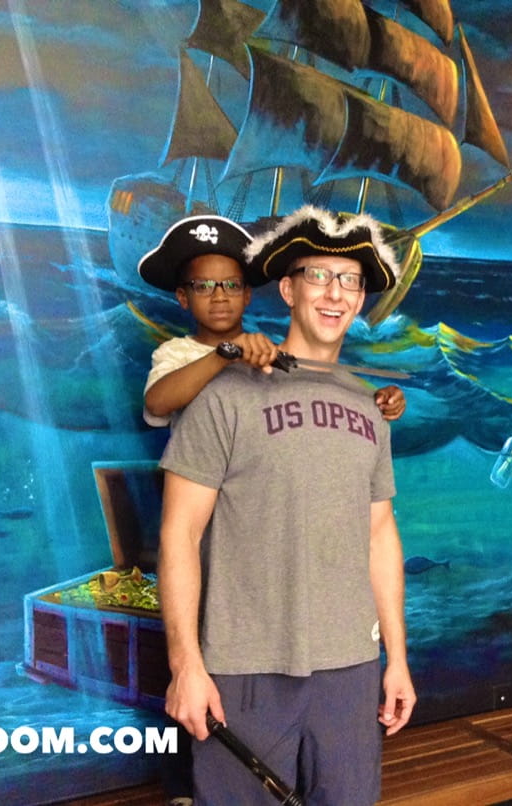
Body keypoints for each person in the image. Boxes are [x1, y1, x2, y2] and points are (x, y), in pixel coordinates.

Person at [158, 206, 416, 805]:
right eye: (318, 275)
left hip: (350, 670)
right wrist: (185, 665)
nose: (335, 293)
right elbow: (178, 534)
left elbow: (380, 536)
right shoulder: (224, 396)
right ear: (288, 289)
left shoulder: (369, 409)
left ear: (360, 299)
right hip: (242, 669)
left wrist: (397, 659)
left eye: (350, 280)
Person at [138, 215, 405, 428]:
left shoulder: (266, 353)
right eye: (203, 286)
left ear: (247, 295)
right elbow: (156, 405)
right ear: (183, 297)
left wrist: (375, 398)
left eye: (232, 285)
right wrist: (225, 354)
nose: (219, 296)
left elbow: (313, 390)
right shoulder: (175, 353)